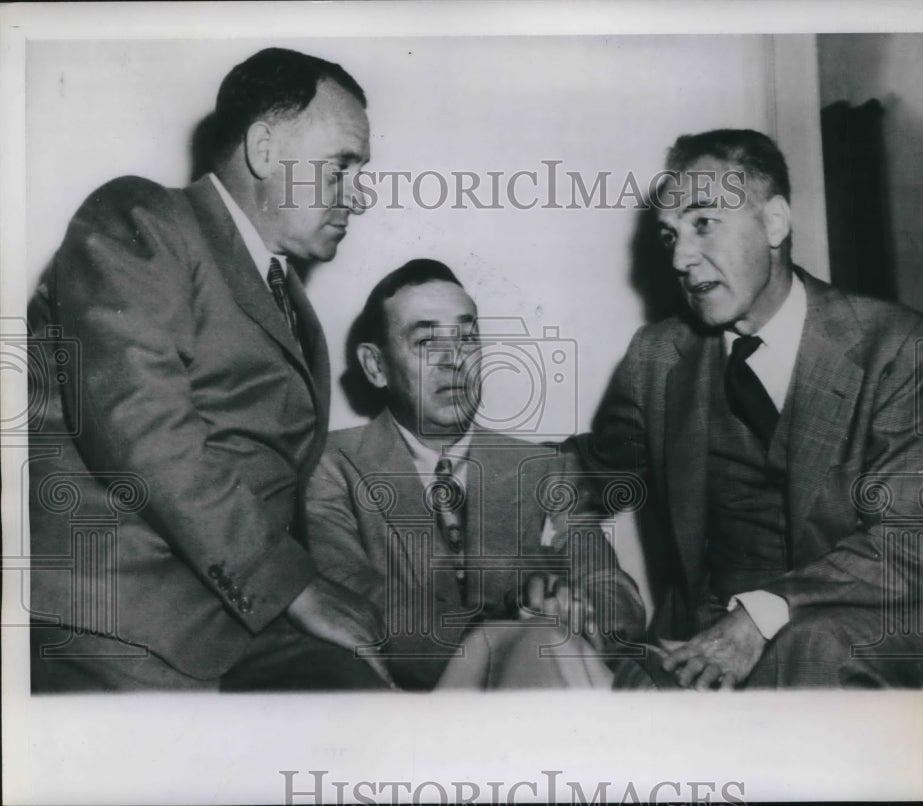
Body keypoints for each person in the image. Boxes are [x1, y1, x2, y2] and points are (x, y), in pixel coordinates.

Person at [27, 47, 390, 691]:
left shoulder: (291, 303)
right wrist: (294, 589)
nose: (358, 196)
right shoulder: (139, 219)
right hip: (128, 627)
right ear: (265, 150)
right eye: (342, 166)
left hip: (238, 625)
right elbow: (145, 427)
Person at [573, 129, 923, 689]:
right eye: (670, 236)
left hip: (872, 633)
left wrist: (760, 616)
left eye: (703, 223)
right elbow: (589, 471)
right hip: (709, 636)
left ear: (775, 223)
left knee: (814, 650)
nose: (683, 257)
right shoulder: (657, 358)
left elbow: (904, 541)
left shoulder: (900, 346)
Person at [305, 259, 647, 690]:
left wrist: (579, 609)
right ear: (375, 366)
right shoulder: (331, 464)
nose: (454, 361)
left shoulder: (544, 470)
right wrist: (509, 626)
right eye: (427, 341)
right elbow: (354, 601)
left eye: (468, 338)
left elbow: (614, 591)